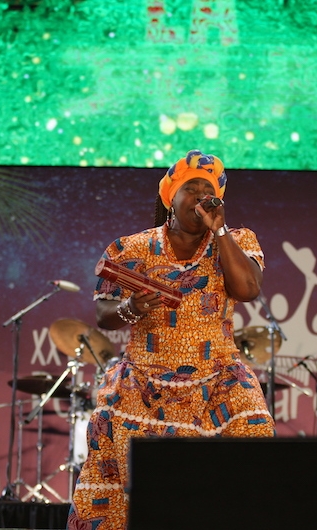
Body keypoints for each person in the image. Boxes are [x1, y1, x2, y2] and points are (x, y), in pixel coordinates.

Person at [67, 150, 275, 529]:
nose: (199, 196)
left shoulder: (238, 239)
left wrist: (221, 231)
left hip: (218, 379)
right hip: (144, 383)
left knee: (255, 434)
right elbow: (104, 314)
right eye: (190, 188)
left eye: (207, 190)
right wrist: (133, 308)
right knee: (123, 470)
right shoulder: (131, 248)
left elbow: (247, 289)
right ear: (170, 198)